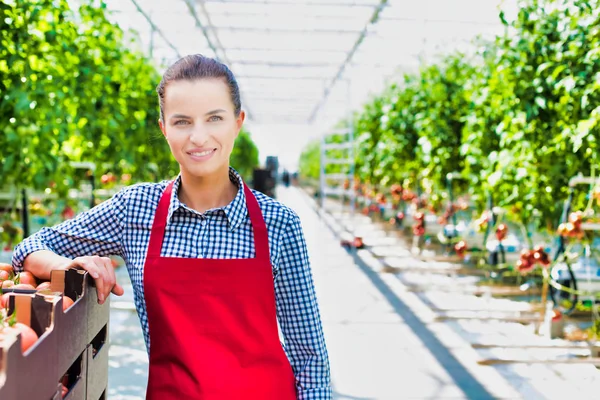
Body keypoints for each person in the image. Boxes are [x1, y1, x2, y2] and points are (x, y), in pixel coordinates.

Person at [12, 54, 332, 399]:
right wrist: (66, 265)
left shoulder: (278, 224)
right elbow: (27, 248)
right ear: (164, 128)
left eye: (215, 119)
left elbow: (309, 357)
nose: (198, 136)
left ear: (237, 122)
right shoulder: (135, 209)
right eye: (182, 122)